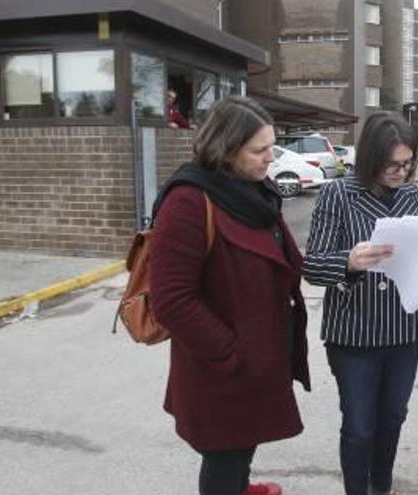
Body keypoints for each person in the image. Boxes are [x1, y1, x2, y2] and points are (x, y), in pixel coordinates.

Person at [149, 96, 309, 495]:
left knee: (241, 446)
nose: (271, 157)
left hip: (259, 359)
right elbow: (172, 299)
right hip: (221, 368)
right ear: (226, 149)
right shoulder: (189, 200)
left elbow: (282, 258)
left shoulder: (254, 192)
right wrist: (230, 352)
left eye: (272, 146)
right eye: (259, 150)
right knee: (224, 455)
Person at [302, 112, 418, 495]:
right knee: (359, 425)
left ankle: (383, 486)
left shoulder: (417, 195)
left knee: (393, 418)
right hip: (354, 333)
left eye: (407, 164)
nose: (400, 172)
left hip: (403, 328)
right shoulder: (337, 194)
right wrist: (348, 262)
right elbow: (312, 265)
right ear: (370, 158)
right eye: (392, 164)